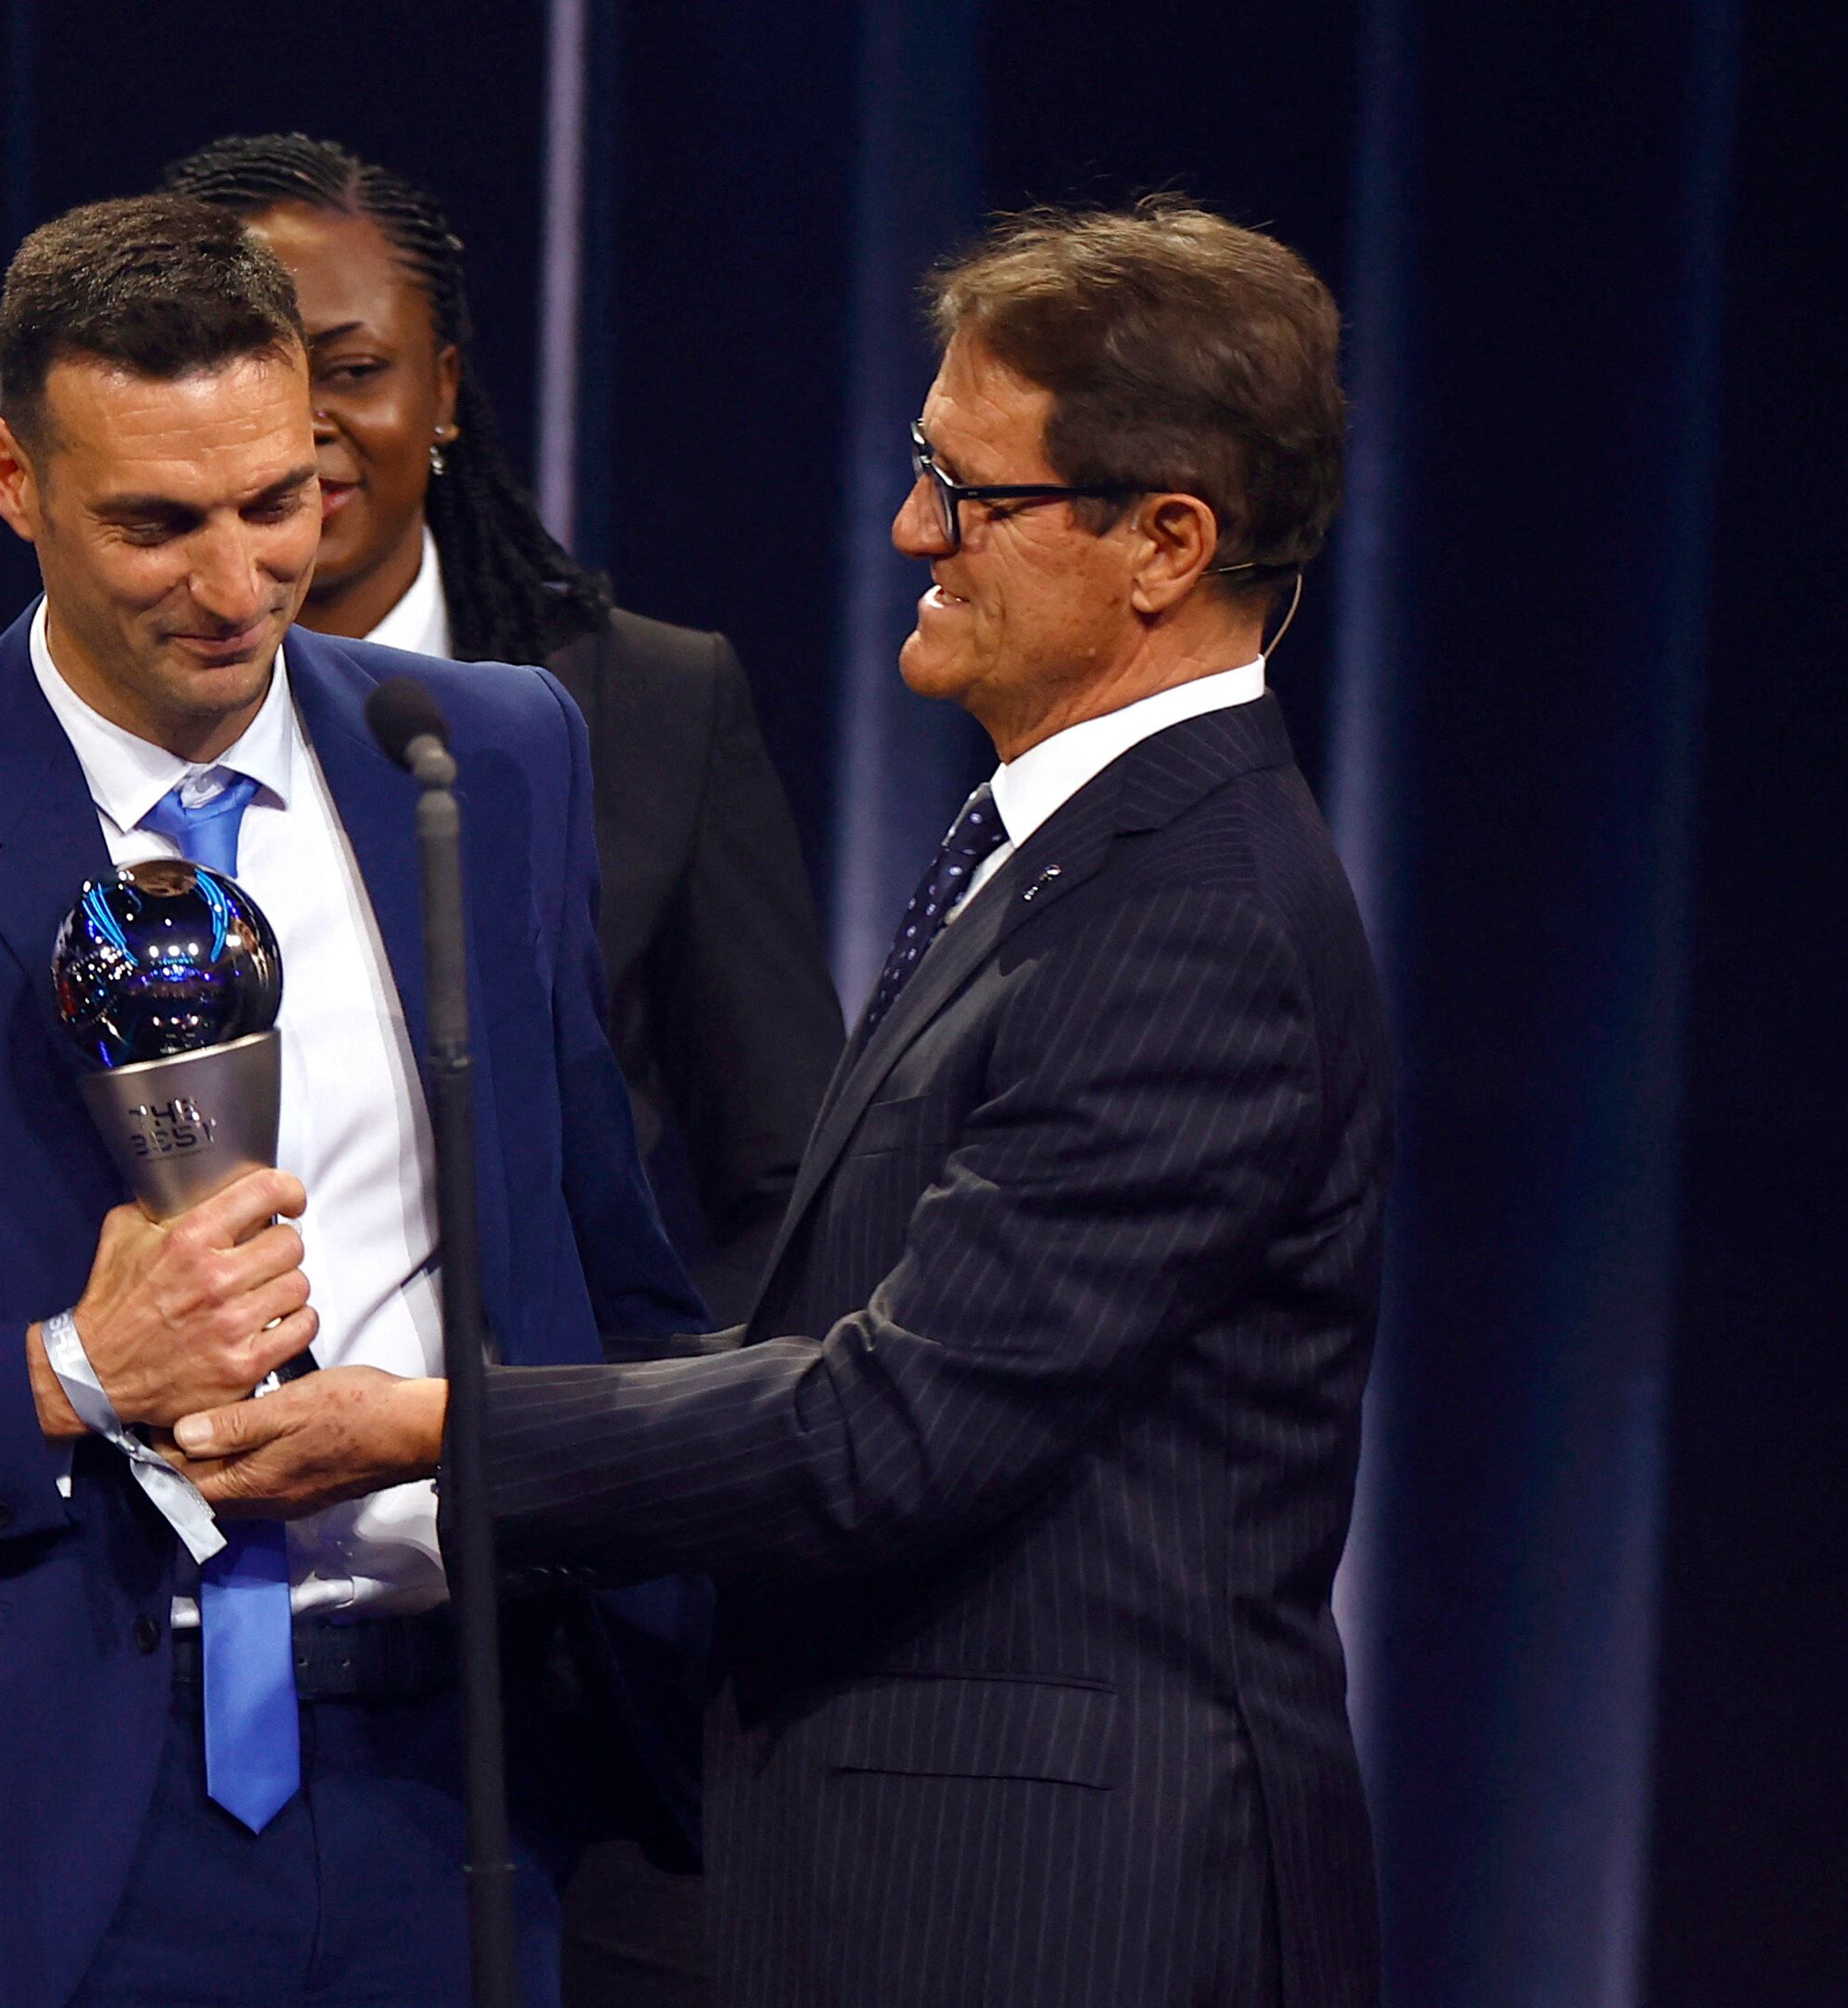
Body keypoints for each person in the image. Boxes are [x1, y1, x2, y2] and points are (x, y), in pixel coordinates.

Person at [170, 198, 1391, 2008]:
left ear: (1163, 542)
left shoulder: (1189, 920)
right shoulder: (1062, 862)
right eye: (920, 463)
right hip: (907, 1877)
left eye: (968, 493)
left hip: (1056, 1909)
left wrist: (433, 1425)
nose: (909, 526)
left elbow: (887, 1432)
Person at [0, 194, 701, 2008]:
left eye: (280, 505)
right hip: (51, 1836)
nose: (232, 581)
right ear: (8, 477)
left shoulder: (483, 761)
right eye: (153, 524)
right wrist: (69, 1371)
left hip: (462, 1801)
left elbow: (610, 1268)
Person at [161, 134, 845, 1329]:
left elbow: (791, 1189)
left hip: (536, 1493)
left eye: (354, 368)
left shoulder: (648, 708)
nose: (296, 428)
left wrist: (615, 1436)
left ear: (442, 393)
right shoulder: (64, 718)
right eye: (247, 370)